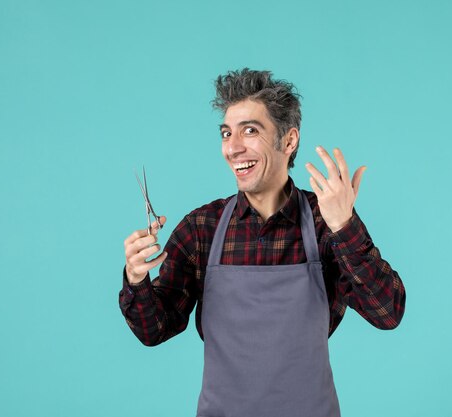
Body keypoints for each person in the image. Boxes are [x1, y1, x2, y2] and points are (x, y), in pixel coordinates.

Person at [119, 68, 406, 417]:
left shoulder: (324, 223)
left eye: (250, 131)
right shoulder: (202, 228)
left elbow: (387, 312)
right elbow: (154, 329)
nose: (233, 148)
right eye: (227, 133)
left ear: (288, 141)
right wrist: (137, 279)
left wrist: (345, 226)